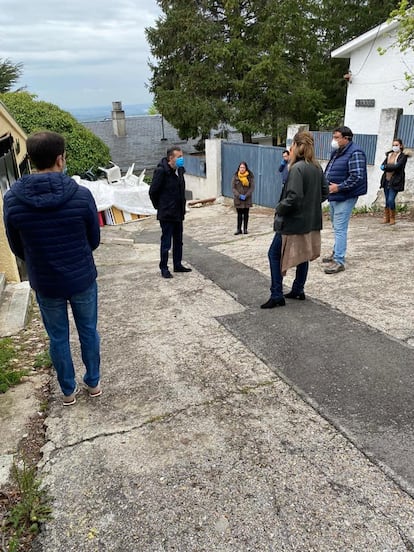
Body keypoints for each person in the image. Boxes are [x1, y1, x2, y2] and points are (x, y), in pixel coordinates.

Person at [3, 131, 101, 405]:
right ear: (61, 159)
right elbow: (94, 239)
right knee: (88, 331)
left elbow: (16, 246)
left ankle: (67, 391)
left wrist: (38, 260)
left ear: (30, 160)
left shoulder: (12, 200)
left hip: (45, 281)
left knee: (57, 337)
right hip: (81, 277)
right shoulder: (81, 196)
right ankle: (93, 384)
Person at [261, 131, 329, 309]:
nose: (290, 149)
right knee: (303, 255)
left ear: (297, 146)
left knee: (274, 254)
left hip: (292, 223)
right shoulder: (316, 167)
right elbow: (325, 192)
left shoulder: (297, 168)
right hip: (310, 221)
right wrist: (310, 205)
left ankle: (277, 294)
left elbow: (293, 197)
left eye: (291, 145)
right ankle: (298, 289)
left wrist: (279, 208)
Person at [323, 126, 367, 274]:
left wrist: (339, 187)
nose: (334, 141)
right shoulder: (338, 152)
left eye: (337, 137)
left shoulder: (355, 152)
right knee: (336, 226)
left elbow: (357, 176)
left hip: (345, 195)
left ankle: (339, 260)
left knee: (340, 228)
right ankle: (336, 252)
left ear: (346, 138)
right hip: (334, 194)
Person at [149, 146, 192, 278]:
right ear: (170, 158)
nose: (181, 159)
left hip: (178, 213)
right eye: (179, 157)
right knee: (166, 242)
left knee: (178, 241)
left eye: (182, 156)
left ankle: (177, 265)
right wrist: (160, 207)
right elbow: (152, 192)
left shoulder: (180, 171)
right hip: (167, 214)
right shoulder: (161, 171)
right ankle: (164, 268)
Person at [380, 138, 408, 225]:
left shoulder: (403, 156)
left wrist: (386, 167)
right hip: (386, 180)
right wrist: (386, 167)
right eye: (393, 145)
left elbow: (397, 167)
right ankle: (386, 217)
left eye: (396, 145)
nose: (394, 147)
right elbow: (382, 165)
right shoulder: (389, 155)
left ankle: (392, 218)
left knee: (391, 199)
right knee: (387, 200)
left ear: (401, 146)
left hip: (395, 180)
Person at [232, 161, 255, 235]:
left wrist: (246, 195)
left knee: (246, 214)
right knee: (239, 215)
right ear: (239, 168)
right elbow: (233, 188)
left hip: (247, 199)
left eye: (243, 167)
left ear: (246, 168)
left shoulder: (249, 177)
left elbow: (252, 187)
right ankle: (239, 229)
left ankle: (245, 229)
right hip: (238, 199)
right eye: (241, 167)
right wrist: (239, 195)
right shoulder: (235, 176)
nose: (242, 169)